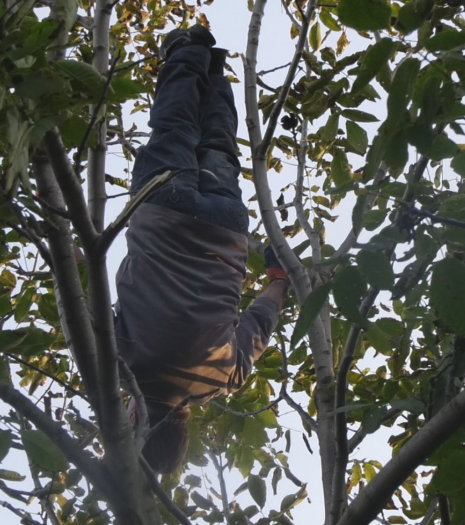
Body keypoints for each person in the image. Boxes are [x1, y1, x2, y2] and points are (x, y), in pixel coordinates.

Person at [113, 25, 291, 474]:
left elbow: (263, 317)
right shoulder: (121, 365)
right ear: (135, 419)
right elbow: (81, 289)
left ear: (184, 429)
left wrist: (278, 277)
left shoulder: (222, 378)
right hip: (163, 211)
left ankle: (213, 68)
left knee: (218, 146)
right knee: (173, 126)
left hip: (224, 227)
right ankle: (185, 50)